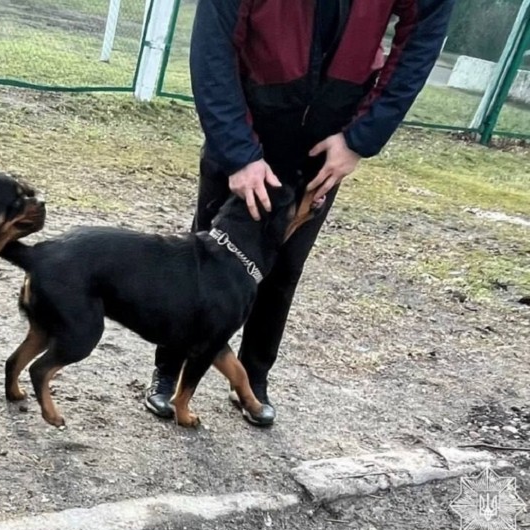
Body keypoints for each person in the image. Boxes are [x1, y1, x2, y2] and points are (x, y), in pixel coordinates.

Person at [145, 0, 456, 426]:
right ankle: (172, 368)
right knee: (206, 254)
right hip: (250, 119)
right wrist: (237, 153)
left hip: (326, 142)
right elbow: (213, 43)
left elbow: (423, 36)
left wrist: (360, 138)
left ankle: (253, 378)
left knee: (284, 266)